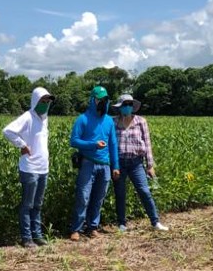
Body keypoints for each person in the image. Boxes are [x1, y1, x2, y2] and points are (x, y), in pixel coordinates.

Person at [3, 87, 54, 248]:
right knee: (27, 205)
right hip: (30, 168)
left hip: (42, 168)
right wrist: (22, 145)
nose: (45, 104)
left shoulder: (45, 118)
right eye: (42, 101)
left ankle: (37, 235)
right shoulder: (27, 117)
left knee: (37, 205)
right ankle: (27, 237)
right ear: (35, 101)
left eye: (47, 101)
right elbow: (8, 131)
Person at [110, 94, 168, 232]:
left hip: (136, 163)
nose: (127, 107)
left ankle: (155, 222)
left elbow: (147, 143)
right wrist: (113, 165)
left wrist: (150, 165)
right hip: (119, 163)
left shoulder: (141, 121)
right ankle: (122, 224)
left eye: (130, 104)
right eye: (125, 105)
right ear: (120, 107)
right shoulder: (113, 122)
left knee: (144, 191)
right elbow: (110, 145)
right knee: (120, 193)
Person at [69, 86, 120, 240]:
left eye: (104, 100)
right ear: (92, 100)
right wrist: (93, 144)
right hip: (88, 162)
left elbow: (113, 144)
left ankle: (93, 227)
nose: (102, 102)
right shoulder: (82, 119)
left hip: (104, 164)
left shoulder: (109, 121)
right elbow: (74, 141)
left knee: (99, 197)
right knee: (83, 196)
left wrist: (115, 166)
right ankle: (76, 229)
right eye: (99, 99)